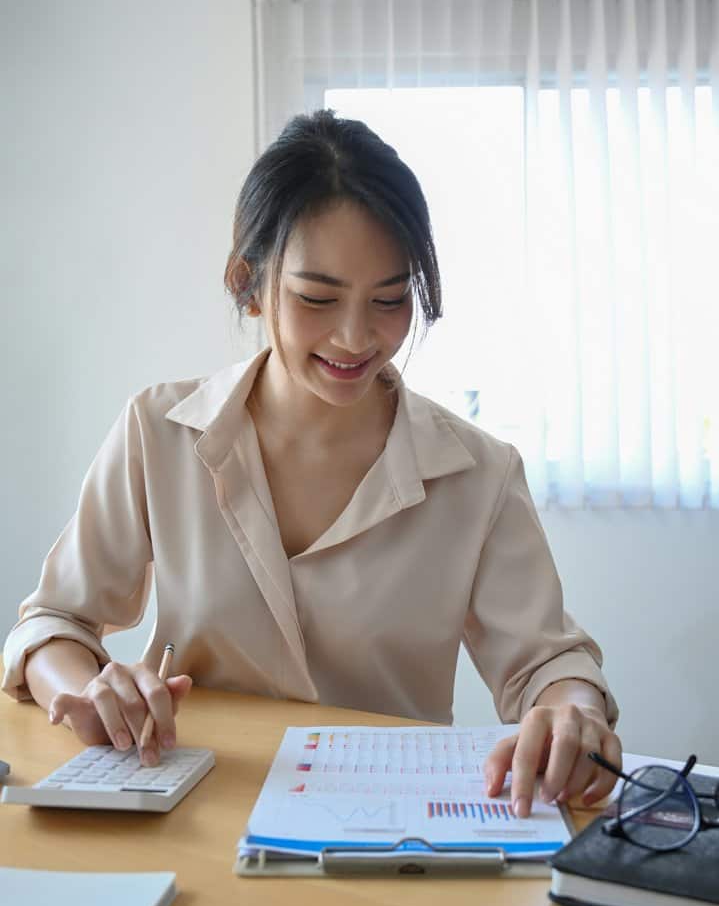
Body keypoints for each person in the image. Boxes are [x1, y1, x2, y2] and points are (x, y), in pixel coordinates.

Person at [2, 110, 621, 817]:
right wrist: (86, 691)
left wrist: (573, 709)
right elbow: (53, 621)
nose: (357, 336)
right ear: (248, 282)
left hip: (392, 831)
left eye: (390, 299)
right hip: (195, 807)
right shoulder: (157, 431)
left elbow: (547, 662)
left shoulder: (477, 473)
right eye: (316, 298)